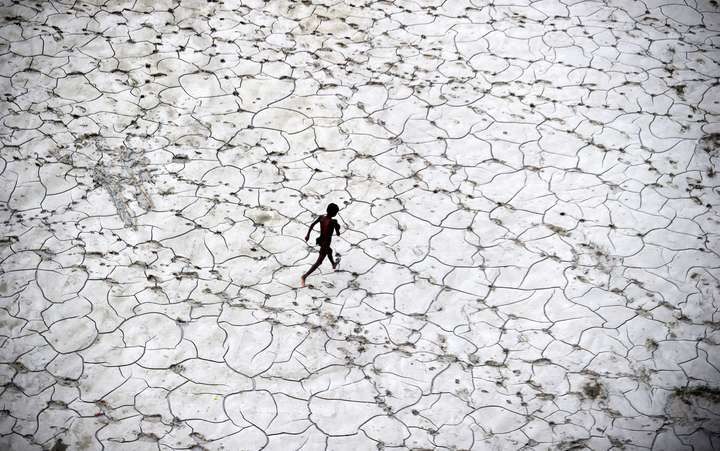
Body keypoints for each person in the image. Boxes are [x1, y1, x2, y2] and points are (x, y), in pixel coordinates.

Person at [301, 203, 340, 287]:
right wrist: (337, 226)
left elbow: (312, 225)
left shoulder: (321, 217)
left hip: (320, 240)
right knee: (319, 262)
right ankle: (304, 276)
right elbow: (338, 233)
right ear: (334, 213)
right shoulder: (333, 222)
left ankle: (333, 264)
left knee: (330, 251)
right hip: (326, 243)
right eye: (336, 212)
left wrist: (308, 235)